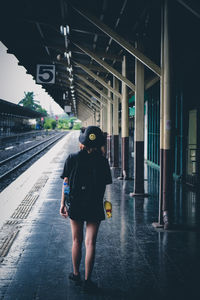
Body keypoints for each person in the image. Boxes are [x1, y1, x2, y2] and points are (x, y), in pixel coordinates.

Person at [60, 126, 112, 292]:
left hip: (75, 204)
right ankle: (88, 281)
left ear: (82, 142)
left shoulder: (72, 158)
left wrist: (63, 203)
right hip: (94, 205)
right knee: (91, 243)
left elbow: (66, 183)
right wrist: (105, 206)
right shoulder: (103, 162)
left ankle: (76, 274)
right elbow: (104, 188)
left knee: (77, 241)